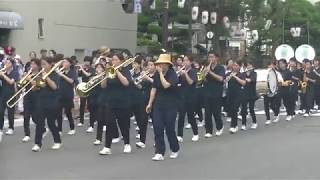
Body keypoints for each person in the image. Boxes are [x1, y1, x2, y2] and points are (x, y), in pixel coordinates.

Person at [146, 54, 180, 161]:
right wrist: (150, 103)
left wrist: (160, 73)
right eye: (158, 64)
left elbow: (166, 85)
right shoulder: (157, 75)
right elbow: (154, 89)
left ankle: (175, 149)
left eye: (161, 64)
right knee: (158, 128)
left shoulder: (172, 74)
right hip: (159, 104)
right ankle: (159, 152)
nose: (159, 65)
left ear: (167, 65)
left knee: (170, 129)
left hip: (171, 105)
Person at [99, 54, 132, 155]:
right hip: (111, 102)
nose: (113, 61)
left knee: (124, 125)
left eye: (115, 60)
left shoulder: (125, 70)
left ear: (121, 61)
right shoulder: (109, 72)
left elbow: (126, 83)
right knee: (109, 124)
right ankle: (107, 147)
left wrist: (117, 71)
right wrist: (105, 75)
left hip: (123, 102)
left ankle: (127, 144)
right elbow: (103, 86)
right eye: (112, 60)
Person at [32, 57, 62, 152]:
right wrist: (35, 84)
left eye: (45, 64)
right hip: (41, 101)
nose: (43, 66)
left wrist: (47, 77)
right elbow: (35, 89)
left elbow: (54, 87)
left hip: (52, 102)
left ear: (50, 64)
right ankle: (37, 143)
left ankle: (57, 141)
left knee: (51, 123)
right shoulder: (40, 74)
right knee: (39, 123)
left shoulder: (55, 75)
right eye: (42, 64)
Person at [176, 55, 199, 142]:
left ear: (191, 62)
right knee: (181, 116)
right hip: (182, 96)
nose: (184, 62)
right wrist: (178, 74)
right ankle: (179, 135)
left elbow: (190, 82)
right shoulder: (181, 71)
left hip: (191, 97)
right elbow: (177, 83)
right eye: (184, 60)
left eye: (186, 60)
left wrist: (185, 73)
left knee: (190, 116)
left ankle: (195, 133)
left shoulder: (193, 71)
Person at [202, 51, 225, 137]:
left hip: (216, 92)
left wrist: (210, 72)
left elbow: (221, 79)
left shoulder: (221, 68)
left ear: (216, 58)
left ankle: (219, 127)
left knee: (216, 112)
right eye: (209, 57)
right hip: (207, 92)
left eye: (212, 57)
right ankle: (208, 131)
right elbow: (201, 80)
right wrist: (204, 74)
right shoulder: (206, 67)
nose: (210, 59)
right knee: (207, 113)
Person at [22, 58, 42, 142]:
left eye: (34, 64)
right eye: (31, 64)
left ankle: (42, 128)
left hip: (36, 97)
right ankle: (27, 134)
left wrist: (29, 78)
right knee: (26, 116)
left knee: (34, 117)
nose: (32, 66)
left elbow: (37, 86)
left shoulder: (40, 74)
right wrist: (24, 78)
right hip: (27, 96)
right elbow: (21, 84)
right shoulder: (28, 73)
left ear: (37, 65)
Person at [130, 55, 148, 148]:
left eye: (135, 63)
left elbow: (142, 87)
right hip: (131, 97)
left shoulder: (143, 74)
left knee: (142, 119)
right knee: (136, 119)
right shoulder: (130, 73)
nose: (134, 65)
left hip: (140, 98)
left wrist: (135, 82)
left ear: (139, 64)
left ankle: (142, 139)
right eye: (133, 63)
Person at [56, 58, 78, 135]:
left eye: (66, 62)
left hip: (68, 95)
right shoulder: (60, 70)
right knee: (58, 113)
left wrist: (62, 75)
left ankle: (72, 128)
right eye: (63, 62)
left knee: (68, 112)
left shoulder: (72, 71)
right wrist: (60, 63)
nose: (64, 64)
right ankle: (59, 130)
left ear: (70, 64)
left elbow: (71, 81)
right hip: (59, 94)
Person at [0, 58, 19, 138]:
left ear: (11, 64)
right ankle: (0, 128)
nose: (6, 64)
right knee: (1, 111)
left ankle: (11, 127)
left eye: (8, 63)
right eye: (5, 63)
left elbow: (11, 82)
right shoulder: (3, 71)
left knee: (10, 112)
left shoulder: (15, 72)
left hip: (11, 94)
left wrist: (3, 75)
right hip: (3, 93)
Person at [225, 61, 246, 133]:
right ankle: (235, 125)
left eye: (236, 65)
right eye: (234, 65)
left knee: (234, 109)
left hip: (238, 94)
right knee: (231, 110)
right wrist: (228, 78)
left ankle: (233, 126)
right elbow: (224, 81)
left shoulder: (242, 74)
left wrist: (235, 77)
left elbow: (243, 83)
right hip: (230, 93)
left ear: (239, 67)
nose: (235, 67)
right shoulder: (228, 73)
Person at [78, 56, 95, 127]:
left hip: (90, 88)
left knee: (90, 105)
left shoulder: (92, 69)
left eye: (87, 61)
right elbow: (79, 75)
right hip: (83, 88)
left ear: (90, 62)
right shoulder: (84, 68)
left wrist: (82, 69)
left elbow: (88, 75)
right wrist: (79, 70)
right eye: (85, 61)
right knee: (82, 105)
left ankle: (93, 120)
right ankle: (81, 121)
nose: (86, 62)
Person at [240, 61, 258, 130]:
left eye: (250, 65)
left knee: (251, 109)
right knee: (243, 109)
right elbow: (240, 81)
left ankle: (254, 122)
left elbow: (252, 80)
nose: (249, 66)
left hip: (252, 93)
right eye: (247, 65)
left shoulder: (254, 73)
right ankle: (243, 124)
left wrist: (245, 79)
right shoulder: (243, 74)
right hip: (244, 93)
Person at [264, 60, 282, 125]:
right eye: (269, 65)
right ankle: (268, 119)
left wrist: (277, 83)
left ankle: (276, 114)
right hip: (266, 90)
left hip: (275, 91)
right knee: (266, 105)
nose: (270, 66)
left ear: (274, 66)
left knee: (273, 105)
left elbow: (281, 81)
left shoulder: (277, 73)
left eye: (272, 65)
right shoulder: (265, 73)